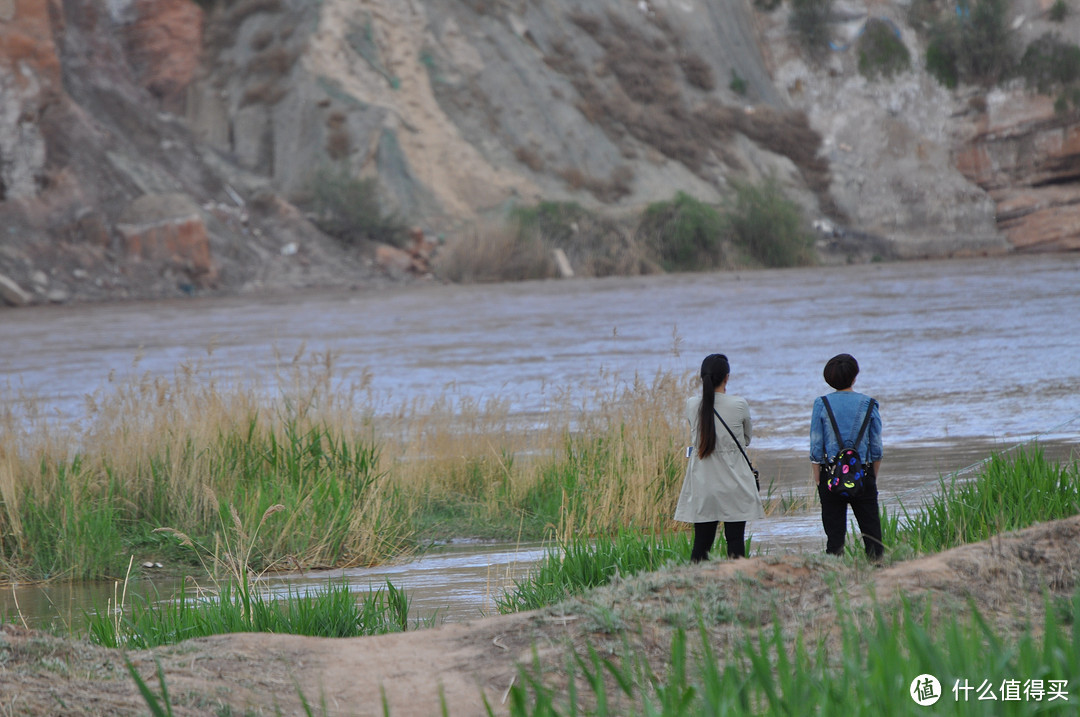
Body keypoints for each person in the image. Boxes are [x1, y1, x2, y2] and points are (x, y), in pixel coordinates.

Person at [674, 354, 764, 561]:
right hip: (734, 481)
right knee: (735, 541)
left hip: (703, 482)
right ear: (727, 378)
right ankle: (737, 586)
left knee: (701, 545)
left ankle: (695, 586)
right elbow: (746, 439)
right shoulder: (739, 404)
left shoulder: (691, 404)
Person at [809, 353, 884, 559]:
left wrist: (818, 478)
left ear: (830, 378)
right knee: (872, 533)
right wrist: (871, 477)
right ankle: (877, 570)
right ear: (854, 377)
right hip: (863, 472)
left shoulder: (821, 404)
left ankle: (835, 574)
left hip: (831, 473)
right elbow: (877, 448)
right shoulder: (869, 404)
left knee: (834, 537)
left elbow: (816, 447)